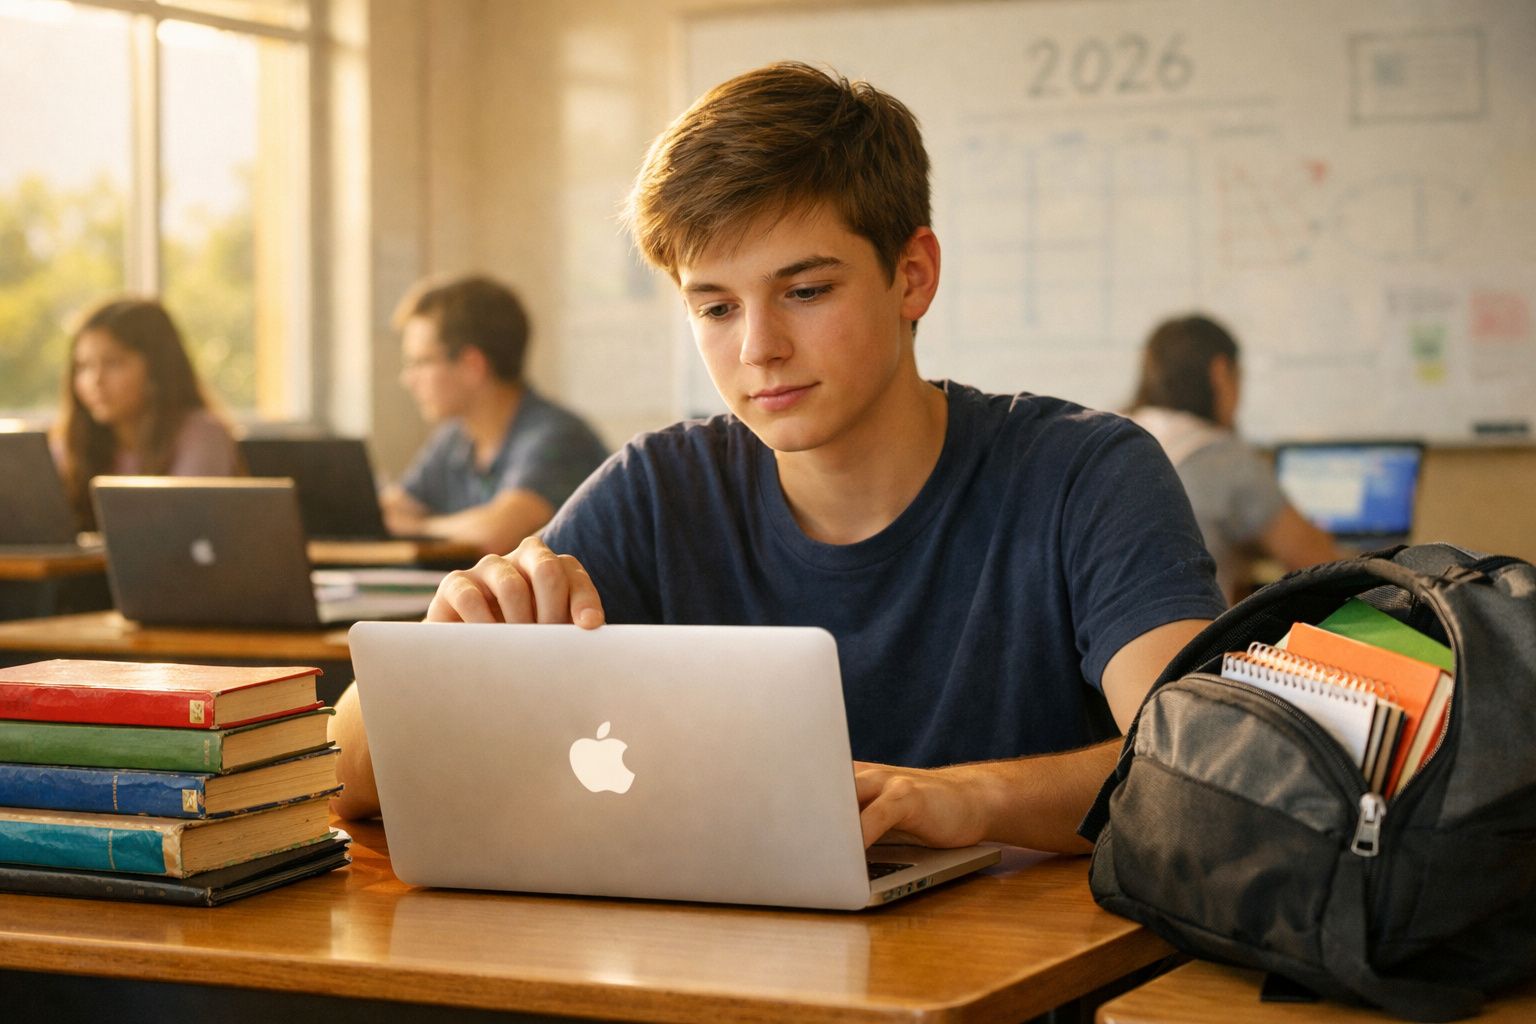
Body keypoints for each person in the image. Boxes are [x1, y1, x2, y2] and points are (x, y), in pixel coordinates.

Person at [332, 63, 1226, 853]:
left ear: (912, 275)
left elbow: (1203, 761)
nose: (759, 347)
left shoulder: (1086, 475)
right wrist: (440, 658)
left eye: (804, 291)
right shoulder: (659, 489)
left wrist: (974, 800)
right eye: (715, 308)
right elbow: (343, 779)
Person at [378, 275, 609, 554]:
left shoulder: (559, 437)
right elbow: (389, 512)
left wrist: (418, 528)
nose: (408, 379)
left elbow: (496, 533)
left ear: (472, 365)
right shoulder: (453, 439)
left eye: (420, 362)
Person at [1127, 314, 1343, 604]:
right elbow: (1318, 564)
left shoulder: (1112, 440)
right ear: (1220, 373)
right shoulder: (1223, 457)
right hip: (1192, 644)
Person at [53, 297, 240, 531]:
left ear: (157, 369)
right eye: (83, 366)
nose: (95, 381)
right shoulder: (72, 444)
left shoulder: (202, 435)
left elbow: (185, 531)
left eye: (113, 363)